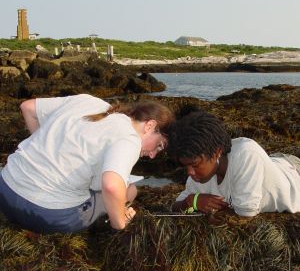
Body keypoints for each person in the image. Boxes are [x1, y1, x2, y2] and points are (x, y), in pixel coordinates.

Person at [0, 94, 174, 233]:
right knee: (130, 189)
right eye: (159, 146)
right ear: (150, 126)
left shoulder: (87, 101)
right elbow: (112, 186)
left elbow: (28, 107)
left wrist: (46, 147)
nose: (152, 155)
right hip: (45, 213)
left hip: (5, 189)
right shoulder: (129, 139)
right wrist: (120, 223)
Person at [168, 110, 300, 217]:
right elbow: (175, 207)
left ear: (217, 153)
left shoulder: (246, 154)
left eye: (195, 165)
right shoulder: (198, 178)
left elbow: (245, 212)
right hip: (272, 163)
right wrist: (191, 202)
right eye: (186, 166)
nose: (189, 172)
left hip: (294, 172)